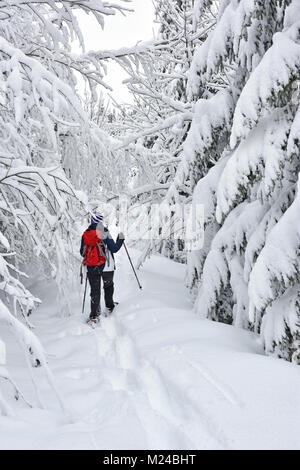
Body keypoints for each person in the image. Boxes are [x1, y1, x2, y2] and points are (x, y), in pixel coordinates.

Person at [80, 212, 124, 322]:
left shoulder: (85, 234)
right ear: (100, 222)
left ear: (91, 221)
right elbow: (114, 248)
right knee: (108, 286)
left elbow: (82, 252)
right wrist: (121, 239)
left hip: (91, 267)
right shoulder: (104, 232)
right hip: (107, 267)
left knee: (95, 291)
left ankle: (94, 315)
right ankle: (109, 306)